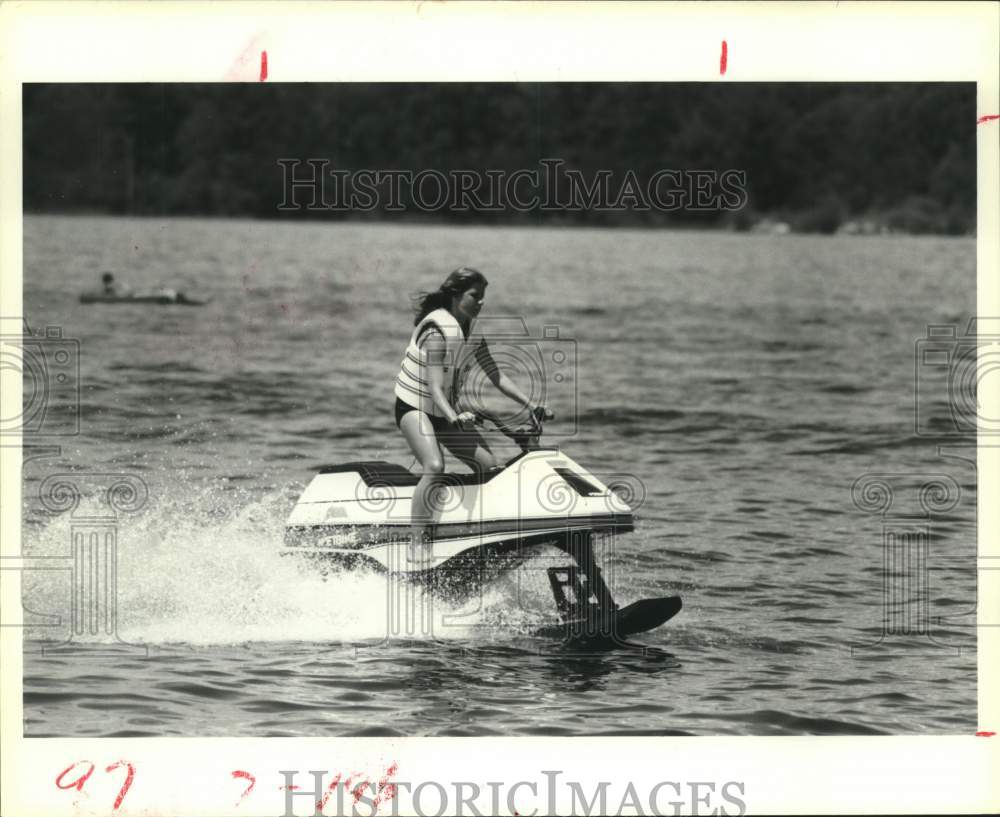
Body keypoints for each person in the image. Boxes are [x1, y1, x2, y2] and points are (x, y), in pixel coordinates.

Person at [394, 267, 546, 561]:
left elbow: (497, 376)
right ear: (455, 295)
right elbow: (435, 387)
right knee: (434, 465)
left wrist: (531, 405)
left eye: (483, 297)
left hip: (444, 412)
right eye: (475, 296)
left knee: (491, 468)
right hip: (414, 408)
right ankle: (417, 543)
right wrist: (454, 417)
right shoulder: (436, 332)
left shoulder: (472, 334)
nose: (481, 302)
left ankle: (468, 529)